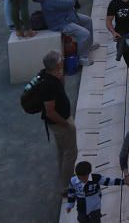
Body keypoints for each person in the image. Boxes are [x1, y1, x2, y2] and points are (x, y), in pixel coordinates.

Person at [38, 50, 78, 185]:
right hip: (60, 123)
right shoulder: (49, 85)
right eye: (61, 63)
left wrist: (61, 77)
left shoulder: (51, 77)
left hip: (59, 122)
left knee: (63, 150)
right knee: (70, 153)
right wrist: (66, 125)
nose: (63, 64)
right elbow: (50, 111)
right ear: (55, 67)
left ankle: (63, 175)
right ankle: (67, 185)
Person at [39, 0, 95, 65]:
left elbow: (67, 0)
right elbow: (69, 3)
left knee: (88, 20)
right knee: (84, 34)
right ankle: (82, 58)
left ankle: (89, 46)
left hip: (66, 15)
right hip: (60, 23)